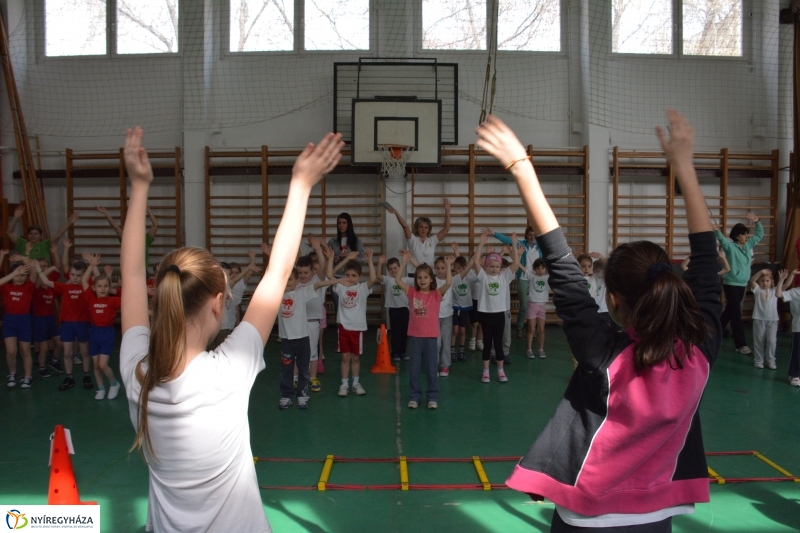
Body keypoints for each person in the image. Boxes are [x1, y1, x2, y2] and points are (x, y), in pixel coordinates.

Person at [477, 111, 721, 532]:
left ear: (612, 299)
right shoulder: (699, 351)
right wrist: (683, 165)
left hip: (587, 517)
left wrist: (521, 168)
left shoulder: (602, 354)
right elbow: (705, 261)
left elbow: (559, 262)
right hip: (656, 516)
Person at [119, 126, 342, 532]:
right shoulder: (230, 368)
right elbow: (278, 273)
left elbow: (132, 275)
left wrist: (139, 186)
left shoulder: (138, 373)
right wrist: (300, 185)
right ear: (218, 304)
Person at [394, 250, 453, 409]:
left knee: (431, 368)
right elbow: (398, 280)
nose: (422, 280)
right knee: (414, 369)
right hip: (415, 336)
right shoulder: (412, 292)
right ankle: (414, 396)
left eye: (425, 277)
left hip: (431, 337)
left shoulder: (436, 295)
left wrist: (448, 266)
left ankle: (432, 396)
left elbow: (448, 283)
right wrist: (404, 262)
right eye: (419, 277)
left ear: (431, 279)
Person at [277, 267, 340, 409]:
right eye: (284, 280)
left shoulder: (302, 293)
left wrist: (338, 281)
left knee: (303, 369)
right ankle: (286, 395)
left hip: (302, 339)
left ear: (297, 281)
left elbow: (318, 284)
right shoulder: (277, 296)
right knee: (286, 370)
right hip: (287, 340)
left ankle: (302, 395)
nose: (287, 282)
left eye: (290, 279)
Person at [471, 230, 521, 383]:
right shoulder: (483, 277)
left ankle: (500, 370)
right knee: (487, 343)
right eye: (491, 266)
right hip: (486, 314)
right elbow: (475, 262)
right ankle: (486, 371)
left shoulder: (504, 277)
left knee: (498, 343)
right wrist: (481, 244)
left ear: (500, 267)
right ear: (486, 267)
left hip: (499, 314)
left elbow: (516, 264)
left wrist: (513, 244)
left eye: (497, 266)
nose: (494, 269)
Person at [39, 258, 94, 391]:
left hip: (82, 323)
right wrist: (37, 268)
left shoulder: (87, 287)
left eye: (78, 275)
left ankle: (86, 375)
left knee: (84, 352)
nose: (75, 278)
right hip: (67, 324)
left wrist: (92, 265)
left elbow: (94, 278)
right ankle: (69, 377)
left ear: (84, 276)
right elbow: (46, 281)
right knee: (67, 353)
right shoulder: (65, 287)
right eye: (72, 275)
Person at [331, 248, 379, 397]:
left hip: (357, 329)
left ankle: (356, 383)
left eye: (354, 275)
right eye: (348, 275)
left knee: (355, 357)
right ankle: (344, 384)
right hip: (343, 327)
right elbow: (330, 274)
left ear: (359, 276)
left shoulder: (362, 288)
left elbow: (373, 279)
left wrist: (370, 261)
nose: (350, 278)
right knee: (345, 357)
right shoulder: (340, 287)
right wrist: (346, 259)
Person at [716, 210, 763, 355]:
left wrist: (757, 221)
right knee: (736, 314)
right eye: (743, 234)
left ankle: (714, 331)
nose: (746, 236)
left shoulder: (748, 246)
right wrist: (716, 230)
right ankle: (741, 344)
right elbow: (722, 240)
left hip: (742, 284)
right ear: (737, 236)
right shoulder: (730, 247)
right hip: (730, 283)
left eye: (747, 234)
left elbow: (759, 235)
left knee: (730, 310)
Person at [80, 253, 122, 400]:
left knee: (103, 365)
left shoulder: (113, 300)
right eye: (99, 286)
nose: (103, 289)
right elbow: (84, 280)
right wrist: (91, 265)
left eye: (105, 286)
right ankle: (101, 388)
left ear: (109, 287)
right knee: (96, 365)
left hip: (107, 333)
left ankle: (114, 384)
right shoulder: (91, 298)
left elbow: (130, 303)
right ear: (94, 288)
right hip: (94, 332)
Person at [487, 226, 541, 338]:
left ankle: (532, 329)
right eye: (530, 235)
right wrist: (494, 233)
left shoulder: (541, 247)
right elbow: (508, 240)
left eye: (534, 235)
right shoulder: (522, 244)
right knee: (524, 306)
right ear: (526, 235)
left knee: (534, 305)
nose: (532, 237)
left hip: (536, 279)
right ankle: (520, 327)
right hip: (523, 278)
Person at [1, 254, 38, 388]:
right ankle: (12, 374)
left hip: (24, 320)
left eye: (23, 275)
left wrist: (23, 259)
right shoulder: (6, 286)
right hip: (9, 320)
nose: (20, 278)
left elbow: (34, 271)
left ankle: (28, 377)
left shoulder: (29, 287)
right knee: (11, 351)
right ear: (12, 276)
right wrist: (14, 273)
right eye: (17, 275)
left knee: (25, 350)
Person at [385, 199, 451, 271]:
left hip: (429, 274)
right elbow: (405, 226)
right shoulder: (412, 240)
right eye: (421, 227)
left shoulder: (432, 240)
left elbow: (446, 229)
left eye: (426, 227)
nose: (423, 229)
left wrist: (447, 211)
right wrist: (396, 213)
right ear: (417, 228)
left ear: (429, 229)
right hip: (413, 273)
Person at [373, 254, 413, 362]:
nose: (393, 270)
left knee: (404, 332)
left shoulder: (406, 280)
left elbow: (418, 280)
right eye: (390, 269)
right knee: (396, 332)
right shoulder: (388, 280)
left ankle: (403, 352)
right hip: (393, 309)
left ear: (399, 268)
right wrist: (380, 264)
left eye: (395, 268)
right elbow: (378, 275)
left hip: (405, 309)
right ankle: (395, 353)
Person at [7, 205, 79, 261]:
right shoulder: (22, 243)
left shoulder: (46, 244)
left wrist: (69, 222)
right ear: (27, 235)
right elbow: (9, 233)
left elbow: (58, 234)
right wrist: (16, 217)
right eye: (30, 233)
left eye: (36, 234)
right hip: (26, 272)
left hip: (44, 272)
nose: (33, 236)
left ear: (41, 235)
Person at [32, 255, 64, 377]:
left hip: (50, 320)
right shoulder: (35, 288)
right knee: (44, 347)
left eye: (45, 266)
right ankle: (42, 368)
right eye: (40, 266)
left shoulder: (50, 290)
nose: (43, 268)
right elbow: (40, 280)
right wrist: (51, 268)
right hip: (39, 320)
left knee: (60, 342)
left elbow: (63, 287)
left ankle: (54, 361)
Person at [327, 212, 365, 312]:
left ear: (349, 224)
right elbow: (326, 260)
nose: (341, 225)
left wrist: (350, 257)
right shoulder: (332, 241)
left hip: (351, 278)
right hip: (336, 277)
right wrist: (332, 259)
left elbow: (362, 260)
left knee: (352, 306)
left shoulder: (357, 241)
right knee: (338, 307)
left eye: (344, 223)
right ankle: (339, 323)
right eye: (339, 223)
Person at [748, 269, 785, 370]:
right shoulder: (757, 290)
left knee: (772, 341)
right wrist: (761, 272)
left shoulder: (775, 290)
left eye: (767, 281)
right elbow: (752, 281)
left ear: (772, 281)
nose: (765, 283)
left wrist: (782, 279)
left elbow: (785, 286)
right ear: (759, 282)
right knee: (759, 340)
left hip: (772, 320)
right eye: (762, 281)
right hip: (758, 319)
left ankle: (771, 360)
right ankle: (758, 361)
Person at [450, 243, 476, 363]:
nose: (460, 271)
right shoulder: (453, 279)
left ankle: (461, 350)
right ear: (454, 269)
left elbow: (465, 266)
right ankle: (452, 351)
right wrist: (456, 251)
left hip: (465, 308)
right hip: (455, 308)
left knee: (462, 331)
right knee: (454, 330)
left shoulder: (469, 277)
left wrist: (457, 251)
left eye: (462, 268)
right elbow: (460, 263)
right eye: (457, 268)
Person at [433, 256, 455, 377]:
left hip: (447, 316)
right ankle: (433, 365)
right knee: (436, 343)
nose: (440, 271)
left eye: (443, 268)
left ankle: (445, 365)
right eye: (437, 268)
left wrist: (449, 264)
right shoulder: (431, 281)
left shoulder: (450, 280)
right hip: (434, 317)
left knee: (446, 342)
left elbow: (449, 281)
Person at [524, 258, 549, 359]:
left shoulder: (547, 277)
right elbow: (521, 268)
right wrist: (516, 256)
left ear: (546, 269)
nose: (540, 270)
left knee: (541, 330)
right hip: (532, 305)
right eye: (538, 268)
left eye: (543, 268)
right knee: (531, 329)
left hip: (542, 306)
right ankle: (529, 349)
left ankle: (541, 349)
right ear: (534, 269)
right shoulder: (532, 276)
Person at [780, 269, 800, 386]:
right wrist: (783, 280)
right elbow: (779, 294)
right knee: (797, 352)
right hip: (798, 328)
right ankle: (794, 374)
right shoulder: (794, 292)